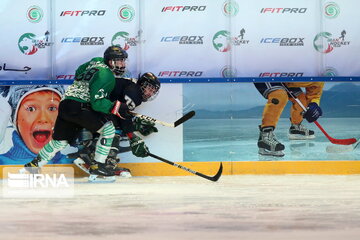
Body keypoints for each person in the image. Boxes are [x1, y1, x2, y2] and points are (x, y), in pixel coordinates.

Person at [23, 46, 149, 181]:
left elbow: (78, 72)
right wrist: (117, 107)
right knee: (108, 129)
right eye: (119, 61)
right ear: (111, 61)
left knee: (60, 141)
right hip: (79, 107)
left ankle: (33, 166)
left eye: (123, 61)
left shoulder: (95, 61)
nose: (123, 64)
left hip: (65, 104)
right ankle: (98, 167)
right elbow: (97, 103)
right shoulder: (107, 76)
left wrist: (85, 86)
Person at [72, 72, 161, 177]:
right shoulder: (134, 92)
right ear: (142, 84)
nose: (150, 93)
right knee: (114, 126)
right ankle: (106, 163)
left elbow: (120, 111)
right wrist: (132, 136)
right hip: (87, 107)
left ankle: (89, 156)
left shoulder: (131, 87)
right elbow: (122, 115)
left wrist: (134, 124)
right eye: (149, 89)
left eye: (153, 91)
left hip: (83, 106)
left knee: (112, 125)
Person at [0, 85, 70, 165]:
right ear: (15, 119)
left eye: (52, 108)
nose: (43, 118)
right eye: (31, 109)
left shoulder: (76, 165)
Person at [254, 82, 324, 157]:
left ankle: (296, 127)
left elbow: (315, 91)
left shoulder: (317, 76)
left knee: (301, 100)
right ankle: (265, 136)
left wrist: (314, 104)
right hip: (270, 75)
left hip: (288, 80)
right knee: (279, 95)